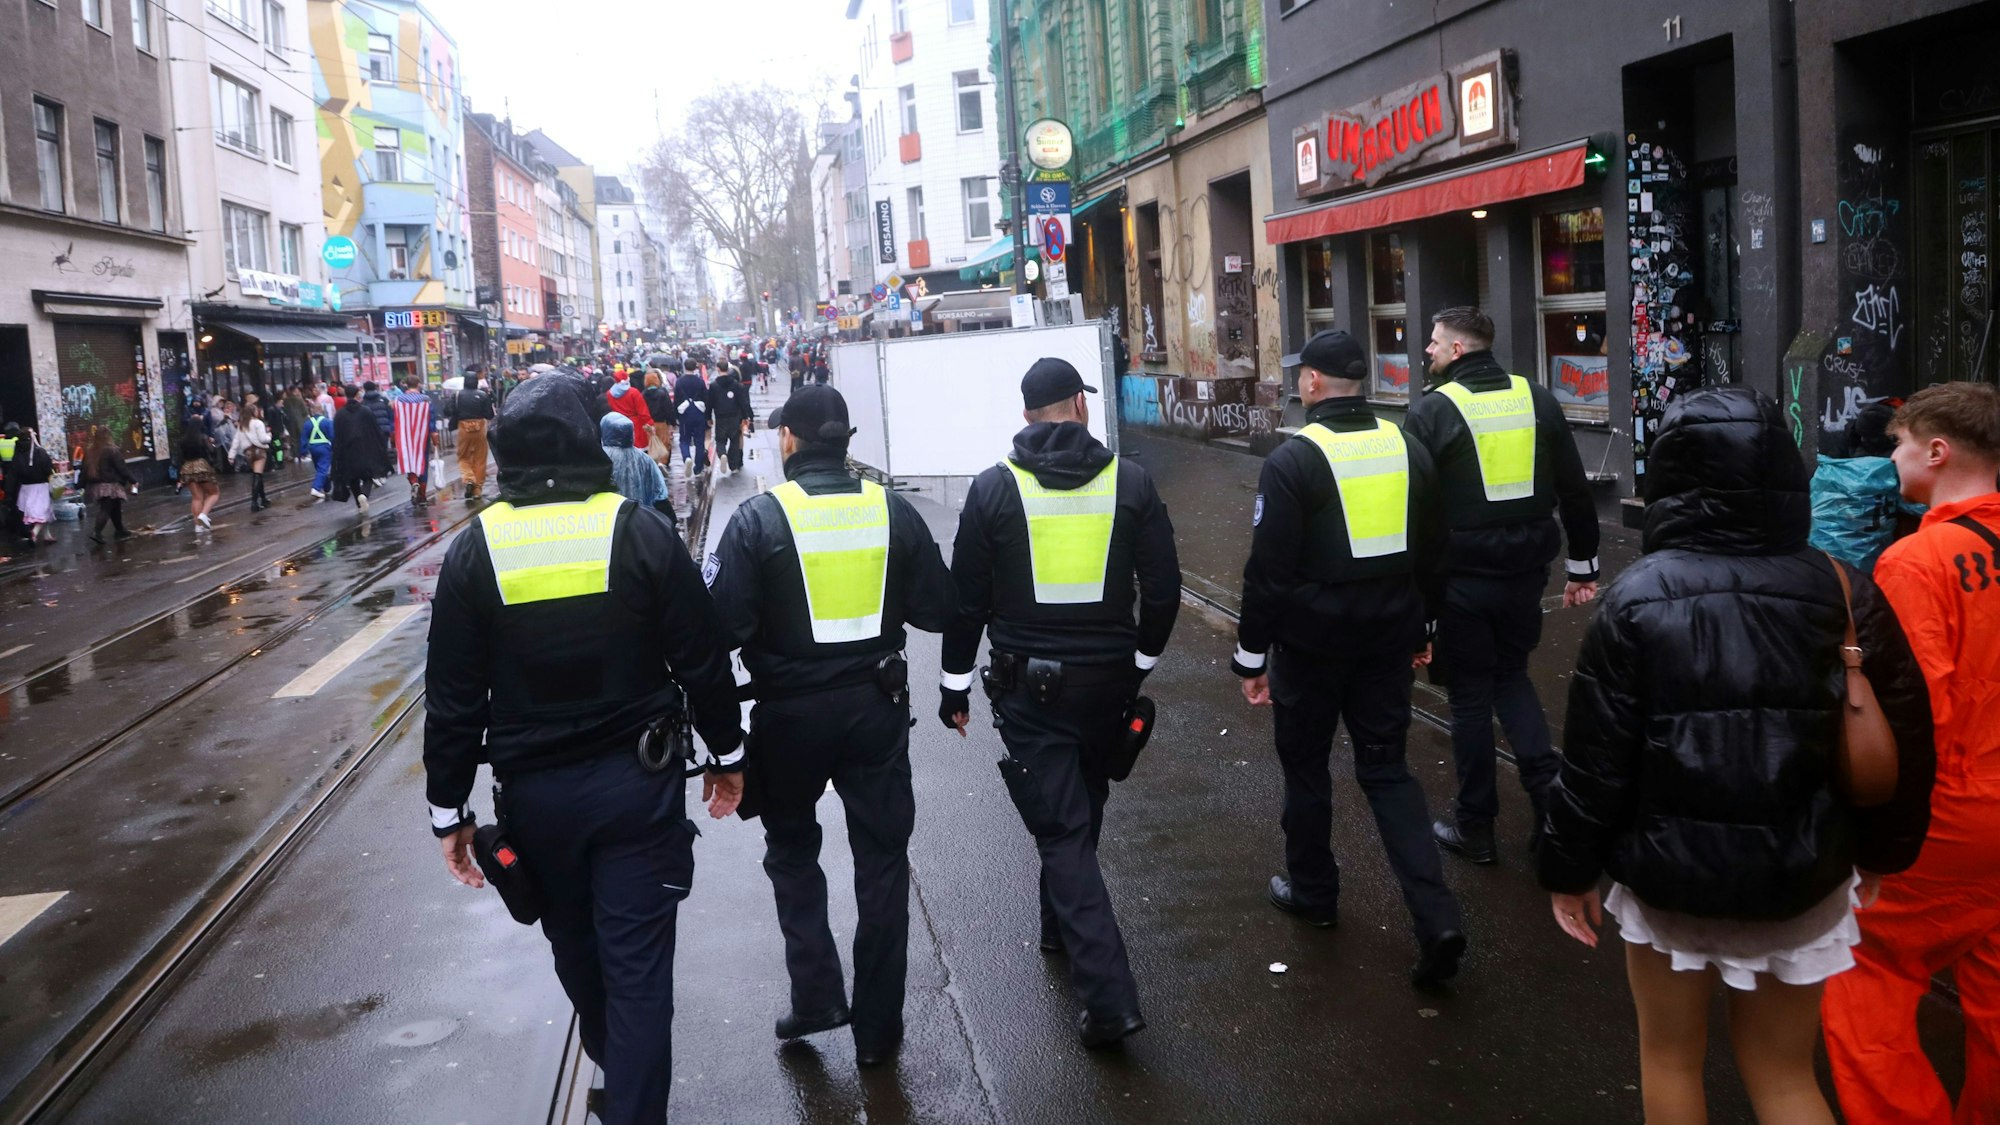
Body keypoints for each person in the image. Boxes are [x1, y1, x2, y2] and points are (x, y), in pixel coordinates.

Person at [1539, 387, 1935, 1123]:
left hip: (1670, 878)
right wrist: (1881, 853)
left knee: (1669, 1055)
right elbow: (1905, 736)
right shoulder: (1844, 588)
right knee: (1785, 1071)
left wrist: (1568, 870)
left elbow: (1595, 760)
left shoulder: (1636, 598)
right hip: (1802, 875)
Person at [424, 375, 743, 1125]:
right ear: (584, 442)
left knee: (577, 953)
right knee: (638, 980)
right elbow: (701, 656)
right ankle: (632, 1087)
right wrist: (728, 754)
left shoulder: (476, 551)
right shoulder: (636, 529)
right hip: (639, 785)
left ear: (505, 454)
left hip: (537, 802)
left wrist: (449, 811)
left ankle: (621, 1070)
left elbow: (455, 697)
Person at [706, 385, 954, 1068]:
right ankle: (878, 1030)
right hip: (876, 710)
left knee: (791, 849)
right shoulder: (891, 509)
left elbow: (719, 629)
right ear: (845, 441)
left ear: (788, 440)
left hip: (787, 716)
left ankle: (817, 995)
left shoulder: (759, 519)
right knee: (882, 860)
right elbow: (938, 608)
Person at [939, 358, 1180, 1049]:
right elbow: (1163, 590)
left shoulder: (993, 489)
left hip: (1029, 687)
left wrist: (954, 685)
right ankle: (1057, 925)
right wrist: (1138, 661)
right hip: (1108, 681)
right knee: (1081, 804)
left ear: (1026, 416)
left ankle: (1108, 998)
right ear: (1079, 404)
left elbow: (967, 601)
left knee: (1062, 828)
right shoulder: (1130, 481)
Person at [1232, 330, 1466, 985]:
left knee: (1306, 770)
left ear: (1311, 383)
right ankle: (1438, 917)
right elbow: (1436, 553)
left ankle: (1314, 892)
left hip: (1309, 651)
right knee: (1388, 773)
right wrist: (1427, 626)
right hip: (1388, 644)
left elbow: (1268, 574)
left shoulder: (1293, 461)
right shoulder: (1408, 447)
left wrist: (1251, 657)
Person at [1823, 382, 2000, 1122]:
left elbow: (1915, 713)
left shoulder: (1917, 561)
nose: (1891, 458)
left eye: (1899, 443)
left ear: (1937, 449)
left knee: (1867, 976)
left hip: (1951, 815)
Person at [1402, 306, 1601, 863]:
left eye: (1436, 343)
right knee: (1511, 679)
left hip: (1462, 581)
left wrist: (1415, 605)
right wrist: (1583, 565)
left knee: (1468, 698)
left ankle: (1476, 826)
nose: (1429, 352)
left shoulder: (1434, 410)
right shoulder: (1535, 398)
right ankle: (1551, 803)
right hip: (1524, 576)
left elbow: (1413, 513)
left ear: (1459, 351)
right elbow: (1574, 487)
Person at [1809, 398, 1919, 573]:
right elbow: (1920, 504)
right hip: (1867, 562)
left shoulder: (1830, 468)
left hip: (1821, 557)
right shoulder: (1887, 471)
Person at [597, 412, 669, 514]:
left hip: (608, 519)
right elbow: (659, 494)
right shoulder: (645, 460)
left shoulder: (599, 458)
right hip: (639, 519)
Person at [331, 394, 390, 514]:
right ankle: (364, 495)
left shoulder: (340, 414)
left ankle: (359, 504)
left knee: (353, 478)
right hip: (365, 449)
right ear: (358, 395)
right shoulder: (366, 411)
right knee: (368, 476)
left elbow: (337, 435)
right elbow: (375, 429)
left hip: (348, 452)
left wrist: (337, 454)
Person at [80, 426, 138, 544]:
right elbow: (122, 468)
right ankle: (97, 532)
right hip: (110, 484)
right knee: (106, 508)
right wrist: (133, 480)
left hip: (96, 485)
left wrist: (80, 485)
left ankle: (120, 530)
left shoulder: (90, 451)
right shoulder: (112, 450)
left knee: (115, 506)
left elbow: (84, 470)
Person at [391, 376, 436, 506]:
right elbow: (431, 418)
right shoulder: (426, 400)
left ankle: (413, 480)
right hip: (422, 435)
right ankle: (422, 494)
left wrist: (394, 434)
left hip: (404, 436)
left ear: (406, 385)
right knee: (422, 462)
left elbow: (394, 418)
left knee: (409, 459)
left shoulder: (398, 400)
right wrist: (433, 434)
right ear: (418, 384)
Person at [10, 429, 57, 544]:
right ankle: (34, 533)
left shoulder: (17, 455)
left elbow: (13, 474)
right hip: (41, 487)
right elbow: (48, 469)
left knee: (42, 512)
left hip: (26, 488)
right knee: (43, 513)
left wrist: (9, 492)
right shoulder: (40, 452)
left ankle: (47, 535)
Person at [455, 377, 496, 501]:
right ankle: (477, 490)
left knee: (463, 456)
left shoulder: (458, 395)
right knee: (480, 459)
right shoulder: (482, 395)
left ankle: (469, 479)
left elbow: (448, 410)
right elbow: (490, 414)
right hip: (480, 427)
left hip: (463, 427)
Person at [177, 424, 220, 529]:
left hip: (187, 468)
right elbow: (211, 451)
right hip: (202, 467)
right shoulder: (203, 438)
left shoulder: (182, 441)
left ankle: (198, 526)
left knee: (196, 498)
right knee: (214, 493)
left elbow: (179, 457)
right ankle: (204, 514)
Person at [708, 364, 748, 475]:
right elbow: (742, 402)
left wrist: (708, 417)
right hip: (734, 417)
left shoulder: (714, 386)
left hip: (720, 417)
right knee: (734, 441)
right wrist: (745, 416)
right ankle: (733, 465)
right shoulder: (736, 385)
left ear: (718, 369)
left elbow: (709, 403)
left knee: (720, 441)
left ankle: (722, 454)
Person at [673, 359, 710, 475]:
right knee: (699, 441)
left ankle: (687, 457)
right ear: (695, 367)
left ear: (685, 367)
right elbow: (706, 398)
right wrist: (708, 416)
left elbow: (676, 400)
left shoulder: (679, 382)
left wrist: (675, 416)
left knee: (684, 439)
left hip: (685, 414)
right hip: (699, 413)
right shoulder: (700, 382)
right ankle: (698, 467)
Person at [604, 367, 654, 453]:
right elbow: (643, 411)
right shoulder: (633, 392)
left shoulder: (609, 394)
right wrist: (650, 424)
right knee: (639, 451)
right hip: (635, 424)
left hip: (618, 424)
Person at [234, 403, 272, 511]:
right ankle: (254, 502)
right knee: (258, 476)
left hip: (248, 453)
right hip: (259, 451)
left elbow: (236, 440)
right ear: (253, 412)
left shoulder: (242, 425)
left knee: (257, 475)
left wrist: (231, 455)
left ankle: (263, 499)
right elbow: (263, 439)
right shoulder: (258, 423)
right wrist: (269, 436)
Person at [642, 370, 676, 467]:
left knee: (651, 443)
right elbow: (669, 408)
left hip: (648, 424)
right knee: (664, 442)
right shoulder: (662, 392)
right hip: (661, 422)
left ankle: (653, 461)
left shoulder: (643, 394)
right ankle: (663, 462)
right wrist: (671, 422)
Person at [303, 403, 335, 500]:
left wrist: (303, 451)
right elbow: (333, 436)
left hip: (313, 448)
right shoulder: (327, 422)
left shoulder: (307, 423)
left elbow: (303, 438)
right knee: (323, 468)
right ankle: (316, 488)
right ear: (322, 410)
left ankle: (327, 488)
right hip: (324, 448)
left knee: (319, 468)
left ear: (312, 411)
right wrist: (335, 447)